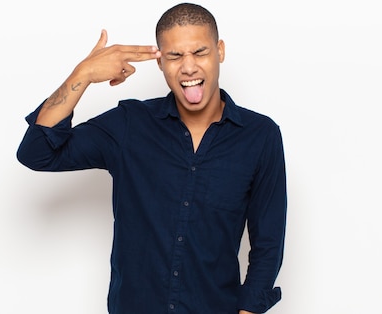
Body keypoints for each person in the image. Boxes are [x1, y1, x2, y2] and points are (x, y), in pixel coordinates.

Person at [17, 3, 287, 313]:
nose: (188, 67)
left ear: (220, 51)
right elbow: (37, 153)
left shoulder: (259, 136)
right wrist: (84, 74)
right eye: (174, 56)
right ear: (160, 62)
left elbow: (268, 244)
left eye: (199, 52)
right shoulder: (130, 124)